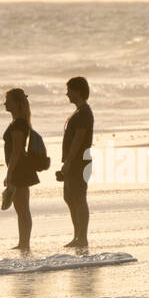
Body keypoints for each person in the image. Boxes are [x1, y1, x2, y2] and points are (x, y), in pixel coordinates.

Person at [1, 88, 39, 252]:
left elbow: (17, 151)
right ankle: (23, 242)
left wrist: (9, 173)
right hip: (20, 168)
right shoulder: (19, 121)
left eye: (8, 100)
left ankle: (24, 243)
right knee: (20, 208)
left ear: (16, 103)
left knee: (22, 209)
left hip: (20, 169)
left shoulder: (19, 124)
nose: (5, 103)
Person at [59, 76, 93, 247]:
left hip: (79, 162)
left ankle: (82, 237)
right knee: (69, 197)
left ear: (78, 91)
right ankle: (77, 235)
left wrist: (68, 162)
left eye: (69, 90)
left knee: (79, 198)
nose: (67, 94)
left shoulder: (83, 113)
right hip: (75, 162)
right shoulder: (79, 112)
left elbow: (79, 139)